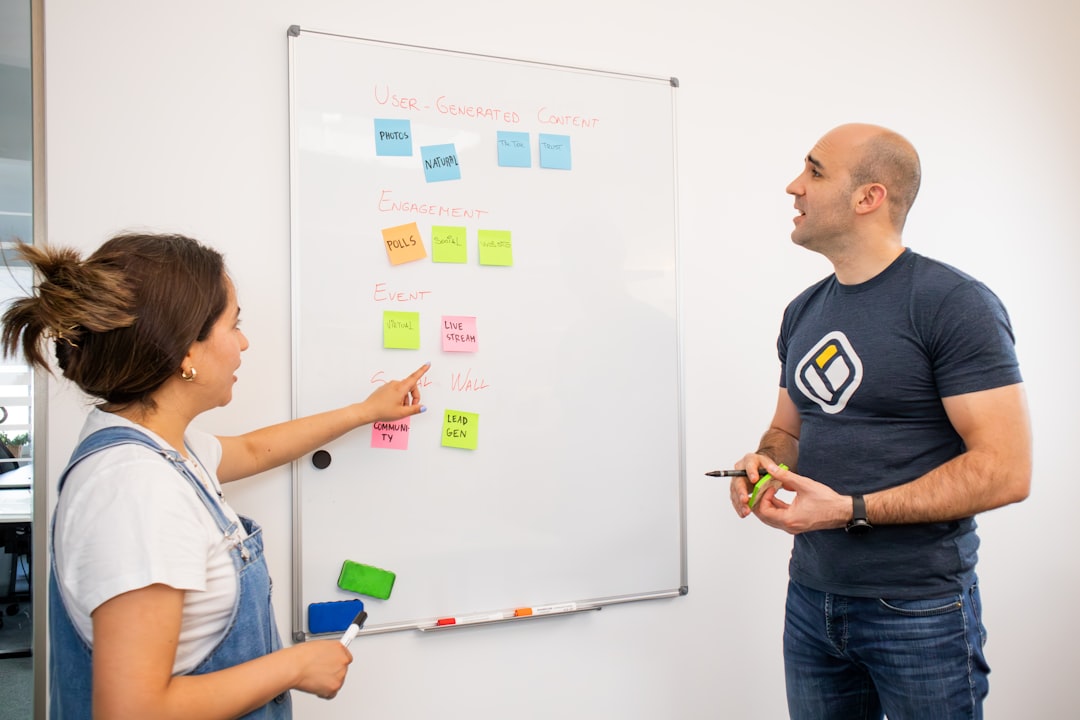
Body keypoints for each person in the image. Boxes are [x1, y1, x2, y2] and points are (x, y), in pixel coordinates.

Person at [1, 233, 430, 719]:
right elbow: (132, 711)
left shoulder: (156, 450)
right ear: (186, 351)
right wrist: (294, 666)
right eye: (234, 323)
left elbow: (253, 448)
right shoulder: (135, 490)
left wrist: (364, 411)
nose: (244, 342)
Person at [728, 124, 1032, 720]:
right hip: (813, 599)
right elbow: (787, 431)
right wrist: (764, 464)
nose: (794, 187)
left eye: (814, 172)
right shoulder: (804, 310)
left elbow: (1005, 472)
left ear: (869, 197)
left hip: (920, 612)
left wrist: (849, 509)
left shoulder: (953, 304)